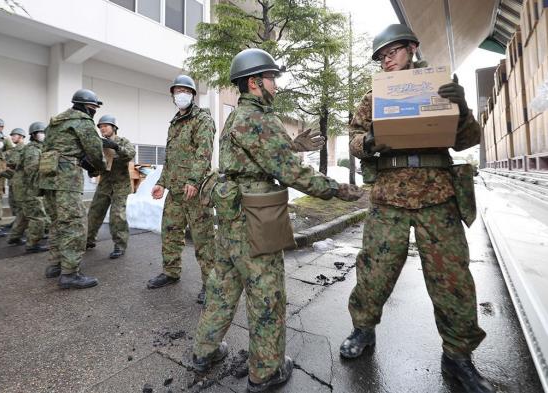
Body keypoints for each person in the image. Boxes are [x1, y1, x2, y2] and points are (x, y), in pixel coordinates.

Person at [191, 48, 363, 392]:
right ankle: (266, 370)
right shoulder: (261, 118)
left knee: (223, 286)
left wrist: (291, 145)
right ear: (254, 83)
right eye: (271, 78)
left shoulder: (236, 117)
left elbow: (260, 154)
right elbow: (287, 170)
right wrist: (337, 190)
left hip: (229, 216)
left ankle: (204, 351)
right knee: (266, 293)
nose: (276, 85)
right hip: (255, 217)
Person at [340, 24, 494, 393]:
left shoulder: (440, 85)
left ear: (411, 48)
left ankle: (458, 356)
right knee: (373, 271)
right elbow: (354, 140)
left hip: (436, 196)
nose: (386, 59)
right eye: (380, 56)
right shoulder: (372, 97)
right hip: (388, 197)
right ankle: (363, 330)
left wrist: (461, 105)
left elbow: (468, 139)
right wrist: (370, 140)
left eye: (392, 51)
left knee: (452, 279)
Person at [146, 75, 216, 305]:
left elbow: (203, 153)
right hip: (176, 190)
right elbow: (171, 158)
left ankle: (211, 284)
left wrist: (194, 181)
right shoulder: (175, 122)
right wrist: (161, 182)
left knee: (203, 239)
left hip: (195, 191)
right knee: (170, 232)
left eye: (185, 91)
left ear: (193, 94)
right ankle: (171, 272)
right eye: (177, 91)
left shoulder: (202, 119)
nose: (180, 95)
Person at [39, 89, 105, 289]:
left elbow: (49, 149)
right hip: (67, 180)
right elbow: (95, 151)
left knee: (57, 223)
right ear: (86, 106)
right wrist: (98, 168)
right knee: (74, 225)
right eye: (93, 108)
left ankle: (55, 265)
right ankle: (70, 273)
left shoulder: (55, 122)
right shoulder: (83, 121)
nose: (93, 112)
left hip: (48, 178)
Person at [86, 115, 136, 259]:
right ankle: (88, 240)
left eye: (105, 126)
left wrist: (116, 147)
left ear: (114, 127)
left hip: (120, 185)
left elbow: (131, 154)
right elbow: (96, 166)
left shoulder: (122, 141)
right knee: (94, 212)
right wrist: (90, 168)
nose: (102, 129)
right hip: (104, 184)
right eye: (100, 127)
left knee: (117, 216)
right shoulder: (99, 145)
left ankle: (120, 246)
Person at [8, 122, 50, 252]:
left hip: (23, 187)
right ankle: (32, 244)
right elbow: (32, 170)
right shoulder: (33, 149)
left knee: (24, 214)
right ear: (33, 134)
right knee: (38, 216)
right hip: (28, 188)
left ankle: (14, 237)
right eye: (40, 132)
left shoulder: (38, 148)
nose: (43, 135)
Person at [5, 128, 26, 232]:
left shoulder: (24, 149)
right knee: (13, 203)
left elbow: (16, 163)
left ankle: (20, 224)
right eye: (12, 135)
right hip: (12, 180)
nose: (12, 137)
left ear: (21, 137)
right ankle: (17, 221)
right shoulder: (13, 150)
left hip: (20, 182)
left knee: (19, 204)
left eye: (14, 135)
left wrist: (10, 165)